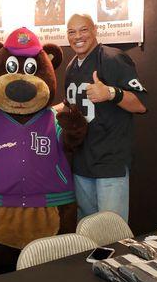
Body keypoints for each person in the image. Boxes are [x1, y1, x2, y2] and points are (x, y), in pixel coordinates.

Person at [63, 14, 147, 222]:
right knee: (87, 231)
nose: (78, 36)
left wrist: (111, 93)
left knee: (111, 233)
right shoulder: (72, 66)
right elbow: (70, 104)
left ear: (95, 30)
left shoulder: (112, 58)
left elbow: (141, 104)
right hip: (82, 161)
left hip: (109, 161)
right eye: (72, 32)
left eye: (83, 30)